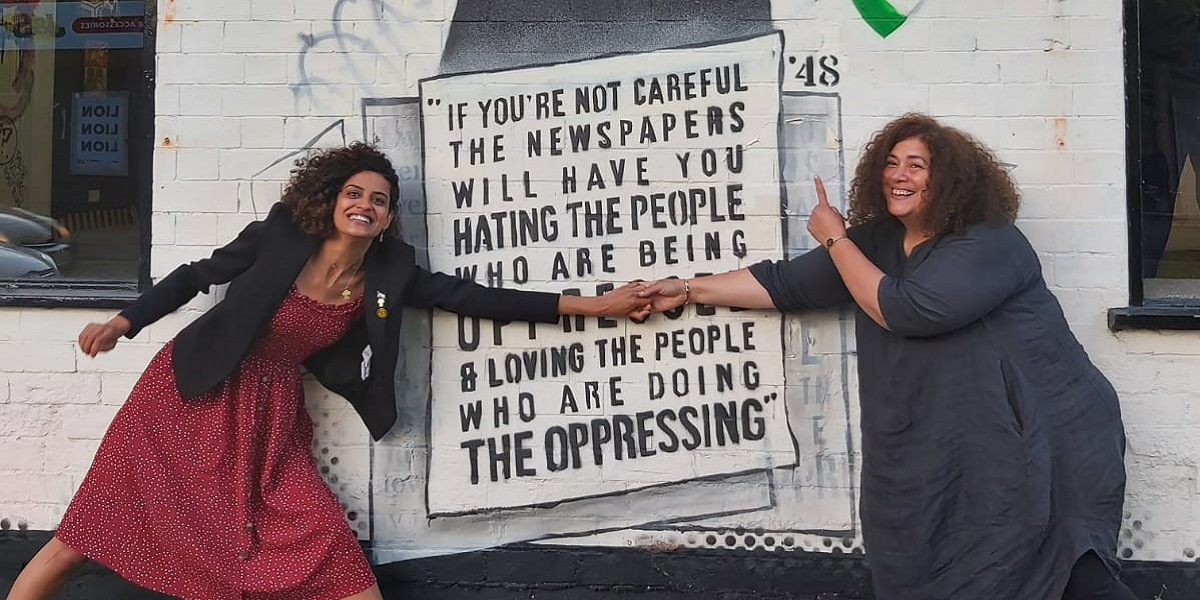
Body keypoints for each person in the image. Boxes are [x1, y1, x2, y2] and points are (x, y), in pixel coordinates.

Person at [5, 142, 649, 600]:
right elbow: (200, 275)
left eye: (380, 199)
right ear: (332, 199)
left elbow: (479, 299)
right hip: (188, 395)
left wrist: (599, 304)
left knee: (327, 548)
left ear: (390, 216)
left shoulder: (391, 273)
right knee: (86, 531)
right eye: (354, 193)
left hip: (271, 414)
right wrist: (124, 322)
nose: (366, 204)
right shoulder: (285, 234)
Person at [636, 114, 1134, 600]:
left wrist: (834, 238)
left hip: (1040, 434)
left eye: (916, 166)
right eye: (892, 163)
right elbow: (786, 284)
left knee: (1062, 569)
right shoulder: (876, 242)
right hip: (955, 444)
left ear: (950, 179)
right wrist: (686, 289)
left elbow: (907, 309)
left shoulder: (988, 241)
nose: (899, 175)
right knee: (943, 562)